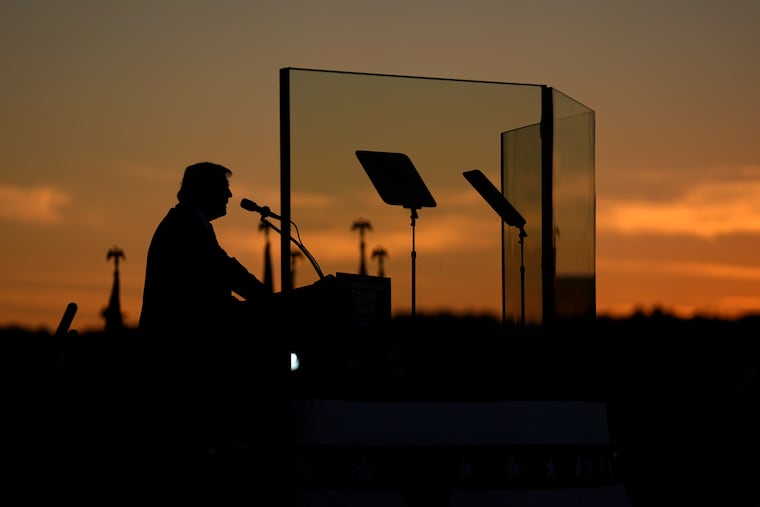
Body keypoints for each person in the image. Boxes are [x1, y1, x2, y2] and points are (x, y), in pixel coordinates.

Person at [136, 161, 277, 504]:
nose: (230, 194)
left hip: (180, 359)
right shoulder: (184, 225)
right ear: (203, 189)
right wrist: (271, 303)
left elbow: (215, 276)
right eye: (222, 187)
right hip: (176, 361)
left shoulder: (189, 224)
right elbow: (219, 273)